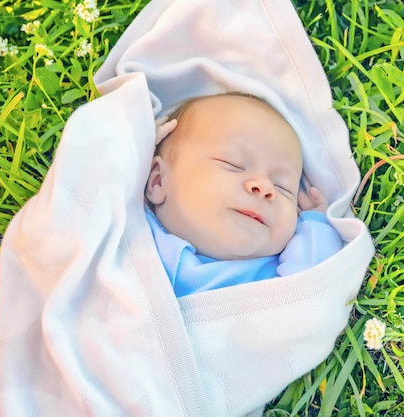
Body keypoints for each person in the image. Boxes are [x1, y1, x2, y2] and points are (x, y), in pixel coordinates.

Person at [144, 93, 343, 296]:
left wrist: (316, 228)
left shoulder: (277, 281)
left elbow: (312, 288)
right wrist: (133, 151)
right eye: (234, 165)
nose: (265, 187)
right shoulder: (132, 230)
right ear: (157, 181)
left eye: (283, 188)